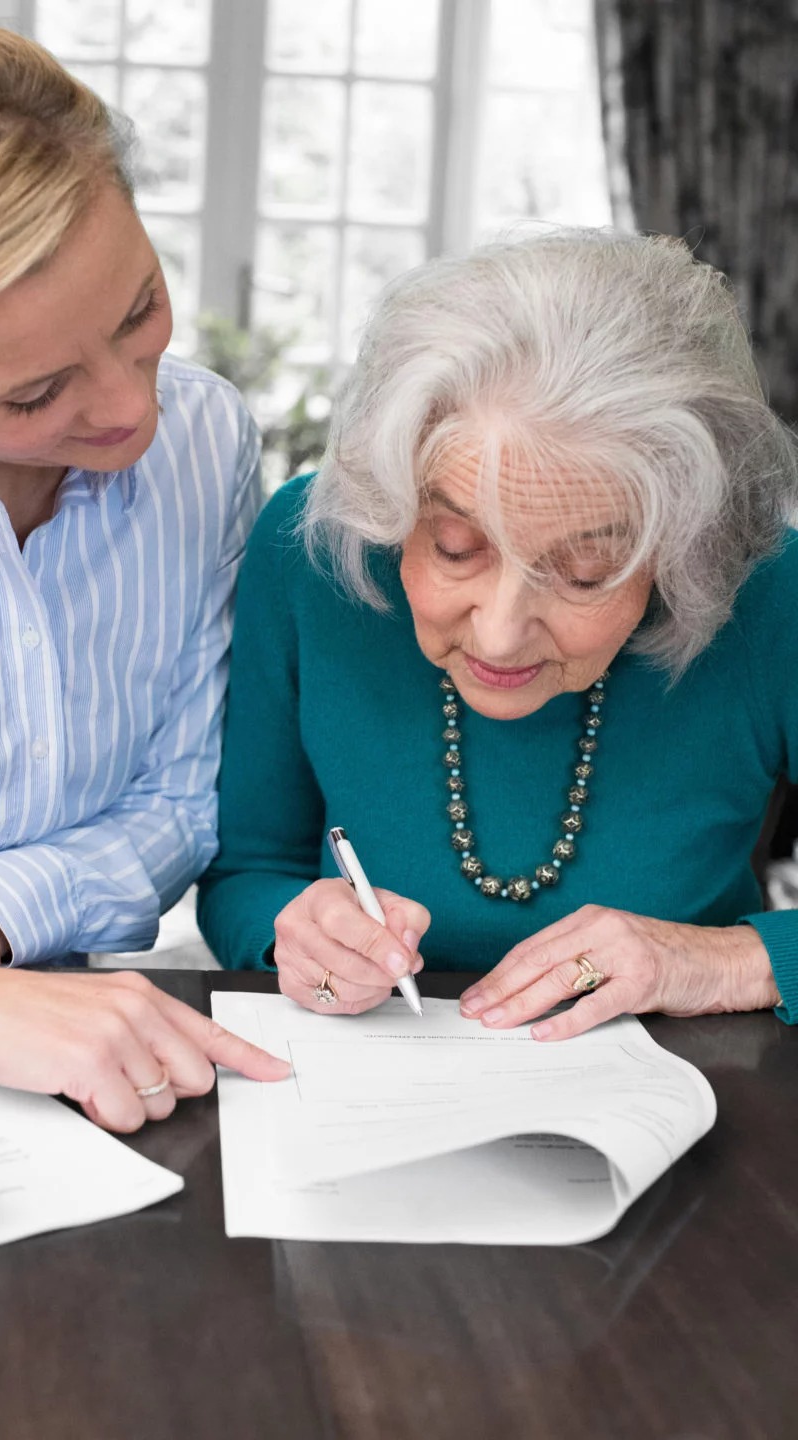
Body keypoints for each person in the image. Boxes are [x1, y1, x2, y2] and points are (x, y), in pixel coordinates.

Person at [0, 7, 289, 1130]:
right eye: (35, 395)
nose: (135, 408)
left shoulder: (208, 439)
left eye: (139, 310)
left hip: (83, 1064)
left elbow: (184, 798)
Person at [198, 228, 798, 1040]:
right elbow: (248, 872)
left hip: (697, 1092)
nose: (502, 633)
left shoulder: (766, 589)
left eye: (587, 572)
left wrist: (724, 960)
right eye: (455, 549)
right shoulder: (313, 551)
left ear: (684, 546)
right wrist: (290, 931)